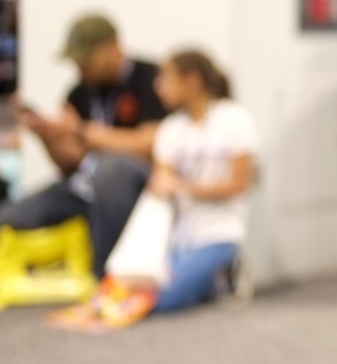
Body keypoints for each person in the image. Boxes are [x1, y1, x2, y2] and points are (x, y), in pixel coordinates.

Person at [48, 48, 259, 330]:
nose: (158, 87)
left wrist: (182, 185)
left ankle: (225, 273)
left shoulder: (234, 119)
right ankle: (203, 279)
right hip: (180, 237)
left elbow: (240, 184)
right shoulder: (172, 129)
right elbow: (162, 181)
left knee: (161, 299)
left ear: (192, 81)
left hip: (220, 233)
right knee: (127, 290)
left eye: (166, 80)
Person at [0, 13, 167, 276]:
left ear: (114, 48)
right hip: (86, 185)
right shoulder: (79, 91)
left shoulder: (152, 79)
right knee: (11, 217)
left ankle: (108, 278)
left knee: (111, 171)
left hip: (140, 185)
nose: (80, 66)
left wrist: (80, 130)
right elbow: (71, 163)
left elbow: (152, 144)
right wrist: (48, 136)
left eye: (86, 58)